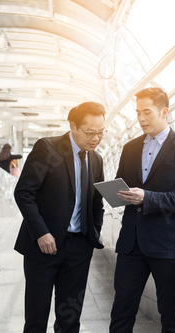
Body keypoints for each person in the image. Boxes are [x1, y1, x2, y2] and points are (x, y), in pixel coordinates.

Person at [109, 87, 175, 333]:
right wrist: (116, 193)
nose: (141, 118)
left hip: (165, 244)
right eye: (138, 113)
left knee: (169, 314)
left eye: (146, 112)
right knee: (121, 311)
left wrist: (147, 198)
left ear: (164, 111)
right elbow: (122, 185)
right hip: (131, 243)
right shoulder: (129, 148)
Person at [14, 102, 107, 333]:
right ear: (73, 126)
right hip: (43, 247)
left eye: (101, 132)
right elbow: (24, 192)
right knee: (36, 318)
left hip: (79, 248)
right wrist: (41, 233)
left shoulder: (96, 159)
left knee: (70, 320)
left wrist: (92, 233)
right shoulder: (48, 148)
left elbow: (97, 203)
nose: (96, 138)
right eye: (90, 132)